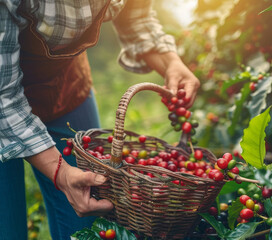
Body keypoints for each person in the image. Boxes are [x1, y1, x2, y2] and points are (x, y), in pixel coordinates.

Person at [0, 0, 200, 239]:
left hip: (62, 84)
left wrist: (170, 62)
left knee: (88, 218)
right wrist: (60, 173)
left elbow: (134, 15)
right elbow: (3, 96)